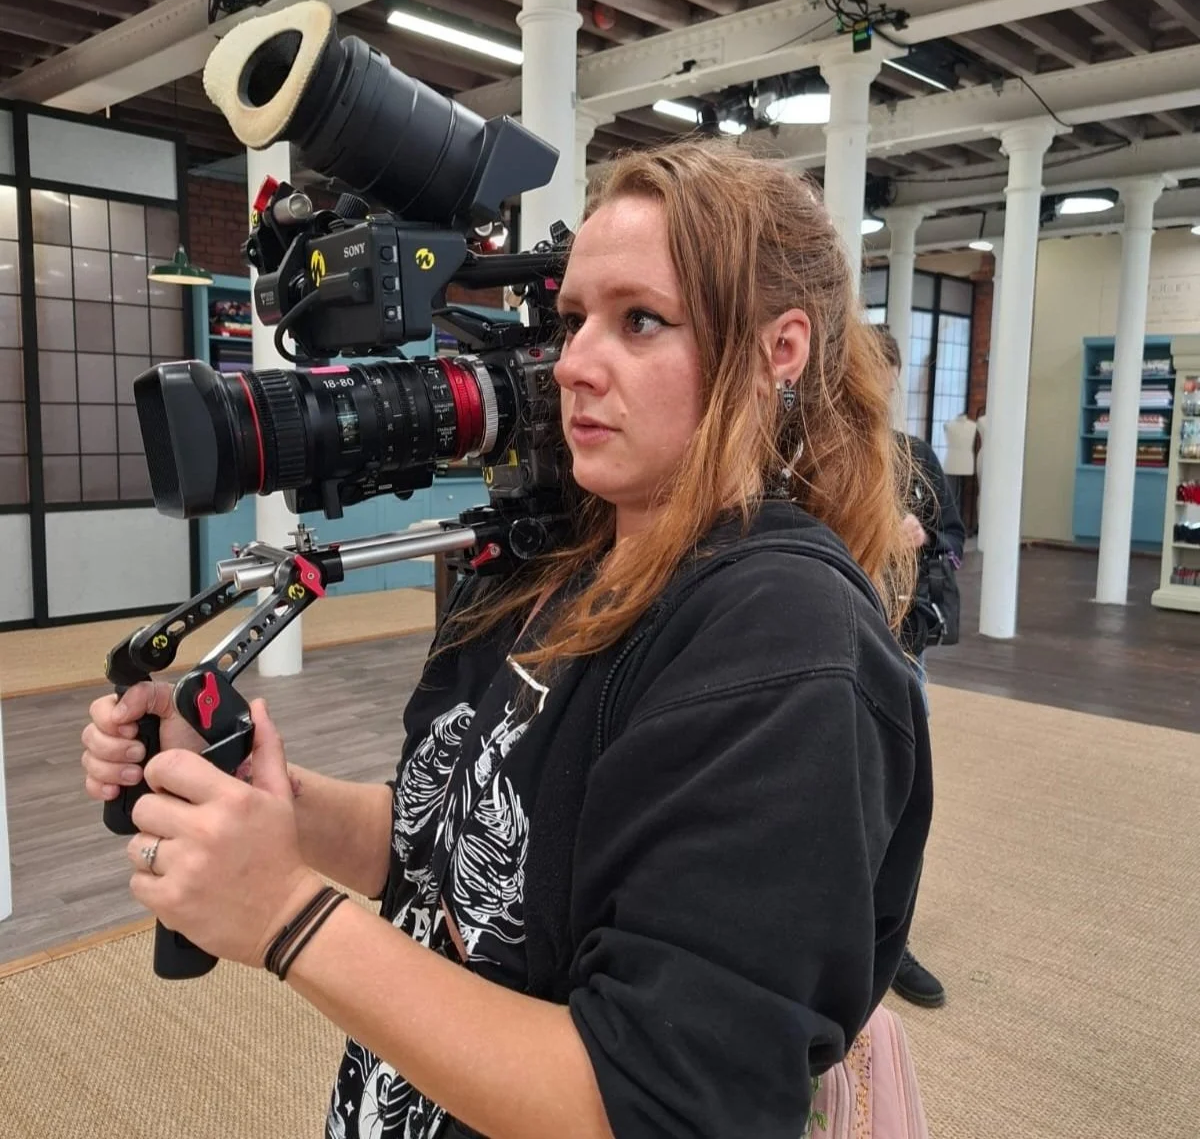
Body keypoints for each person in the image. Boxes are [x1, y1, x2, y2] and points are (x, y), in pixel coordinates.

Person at [81, 140, 933, 1139]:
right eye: (574, 320)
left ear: (777, 352)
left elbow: (657, 1103)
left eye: (641, 321)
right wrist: (279, 810)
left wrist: (286, 915)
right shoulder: (559, 564)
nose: (575, 363)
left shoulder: (784, 648)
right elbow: (465, 854)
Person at [878, 324, 965, 1010]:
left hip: (902, 645)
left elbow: (957, 539)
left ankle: (890, 938)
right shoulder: (807, 458)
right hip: (822, 641)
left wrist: (926, 533)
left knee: (906, 800)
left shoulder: (915, 458)